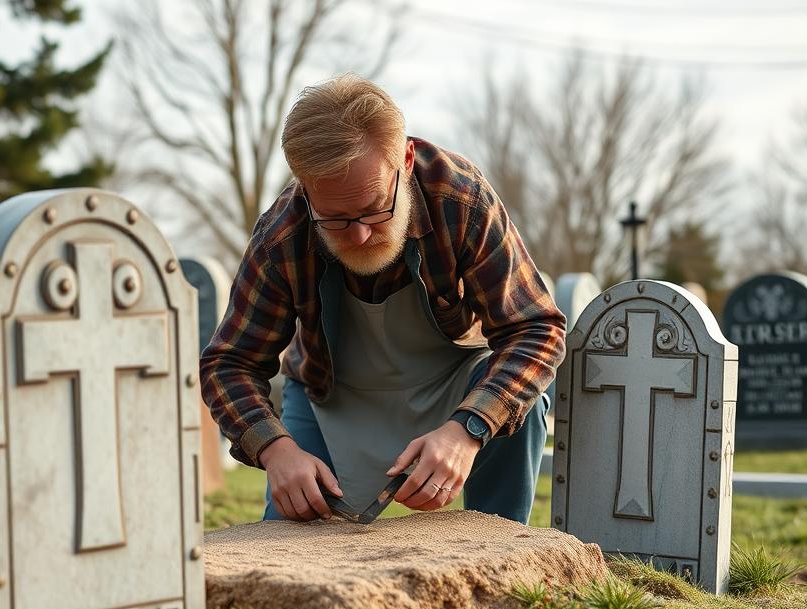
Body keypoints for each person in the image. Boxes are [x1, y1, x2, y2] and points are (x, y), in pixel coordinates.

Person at [199, 74, 566, 524]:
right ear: (304, 186)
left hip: (451, 384)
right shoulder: (282, 236)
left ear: (406, 160)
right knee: (292, 531)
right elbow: (228, 364)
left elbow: (535, 329)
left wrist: (466, 429)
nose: (358, 235)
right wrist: (276, 451)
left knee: (516, 409)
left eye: (375, 208)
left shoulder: (461, 200)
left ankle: (507, 558)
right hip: (329, 397)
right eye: (333, 218)